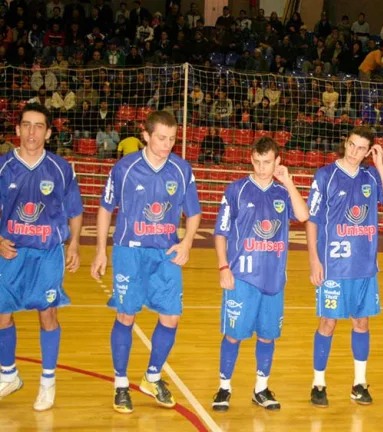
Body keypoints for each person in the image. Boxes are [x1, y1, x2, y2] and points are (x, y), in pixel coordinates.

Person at [90, 111, 202, 414]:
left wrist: (188, 241)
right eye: (162, 138)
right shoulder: (125, 168)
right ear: (146, 135)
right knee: (126, 316)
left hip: (166, 254)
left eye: (172, 139)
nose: (167, 144)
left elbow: (194, 212)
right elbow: (104, 209)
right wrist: (100, 251)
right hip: (130, 252)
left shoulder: (181, 169)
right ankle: (121, 384)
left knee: (171, 318)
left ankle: (152, 377)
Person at [211, 137, 309, 411]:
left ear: (278, 162)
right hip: (241, 278)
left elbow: (303, 216)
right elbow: (221, 232)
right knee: (233, 335)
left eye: (267, 162)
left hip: (274, 279)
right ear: (250, 159)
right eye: (257, 161)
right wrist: (223, 266)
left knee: (267, 335)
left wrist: (288, 182)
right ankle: (224, 388)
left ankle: (261, 389)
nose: (261, 167)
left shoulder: (282, 193)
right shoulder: (237, 190)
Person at [0, 103, 83, 411]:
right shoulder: (3, 167)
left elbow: (74, 211)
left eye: (38, 126)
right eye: (26, 124)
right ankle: (9, 374)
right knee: (1, 312)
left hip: (48, 252)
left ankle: (48, 383)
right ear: (18, 129)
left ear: (48, 132)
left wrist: (73, 245)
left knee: (47, 314)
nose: (31, 131)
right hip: (11, 252)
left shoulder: (61, 168)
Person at [307, 126, 383, 407]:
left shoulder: (371, 175)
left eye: (362, 148)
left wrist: (380, 165)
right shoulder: (325, 175)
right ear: (344, 143)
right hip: (333, 265)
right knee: (328, 323)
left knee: (362, 322)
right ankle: (318, 383)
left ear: (368, 151)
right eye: (352, 145)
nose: (355, 152)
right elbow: (312, 220)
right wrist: (313, 259)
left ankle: (359, 383)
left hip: (364, 266)